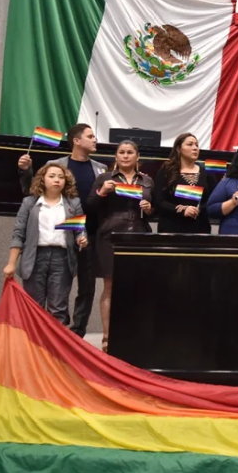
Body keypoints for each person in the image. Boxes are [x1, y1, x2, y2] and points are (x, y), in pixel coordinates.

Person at [17, 123, 106, 338]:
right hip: (61, 236)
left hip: (89, 234)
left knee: (86, 288)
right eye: (90, 136)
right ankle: (42, 336)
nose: (95, 140)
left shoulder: (101, 168)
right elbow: (32, 191)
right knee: (54, 289)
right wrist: (25, 170)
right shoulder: (55, 165)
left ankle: (76, 335)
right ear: (76, 141)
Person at [85, 140, 153, 352]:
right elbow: (89, 207)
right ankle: (107, 336)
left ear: (136, 156)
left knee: (136, 287)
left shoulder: (147, 180)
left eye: (129, 152)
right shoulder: (104, 178)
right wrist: (102, 192)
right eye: (121, 152)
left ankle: (132, 333)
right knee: (110, 286)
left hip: (139, 234)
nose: (125, 156)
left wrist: (150, 208)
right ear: (116, 157)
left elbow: (156, 209)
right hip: (110, 235)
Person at [3, 163, 88, 326]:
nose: (57, 180)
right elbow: (19, 233)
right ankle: (33, 348)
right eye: (52, 176)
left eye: (61, 177)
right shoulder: (30, 202)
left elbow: (79, 231)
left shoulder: (73, 204)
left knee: (58, 309)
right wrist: (11, 263)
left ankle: (54, 349)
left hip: (62, 259)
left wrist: (82, 239)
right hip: (35, 258)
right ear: (42, 179)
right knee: (33, 307)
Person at [153, 133, 216, 234]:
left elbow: (213, 201)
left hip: (200, 228)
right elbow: (158, 201)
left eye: (196, 145)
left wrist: (199, 209)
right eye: (190, 144)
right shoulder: (166, 171)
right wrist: (181, 210)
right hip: (171, 227)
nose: (195, 148)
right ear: (179, 149)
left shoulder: (207, 173)